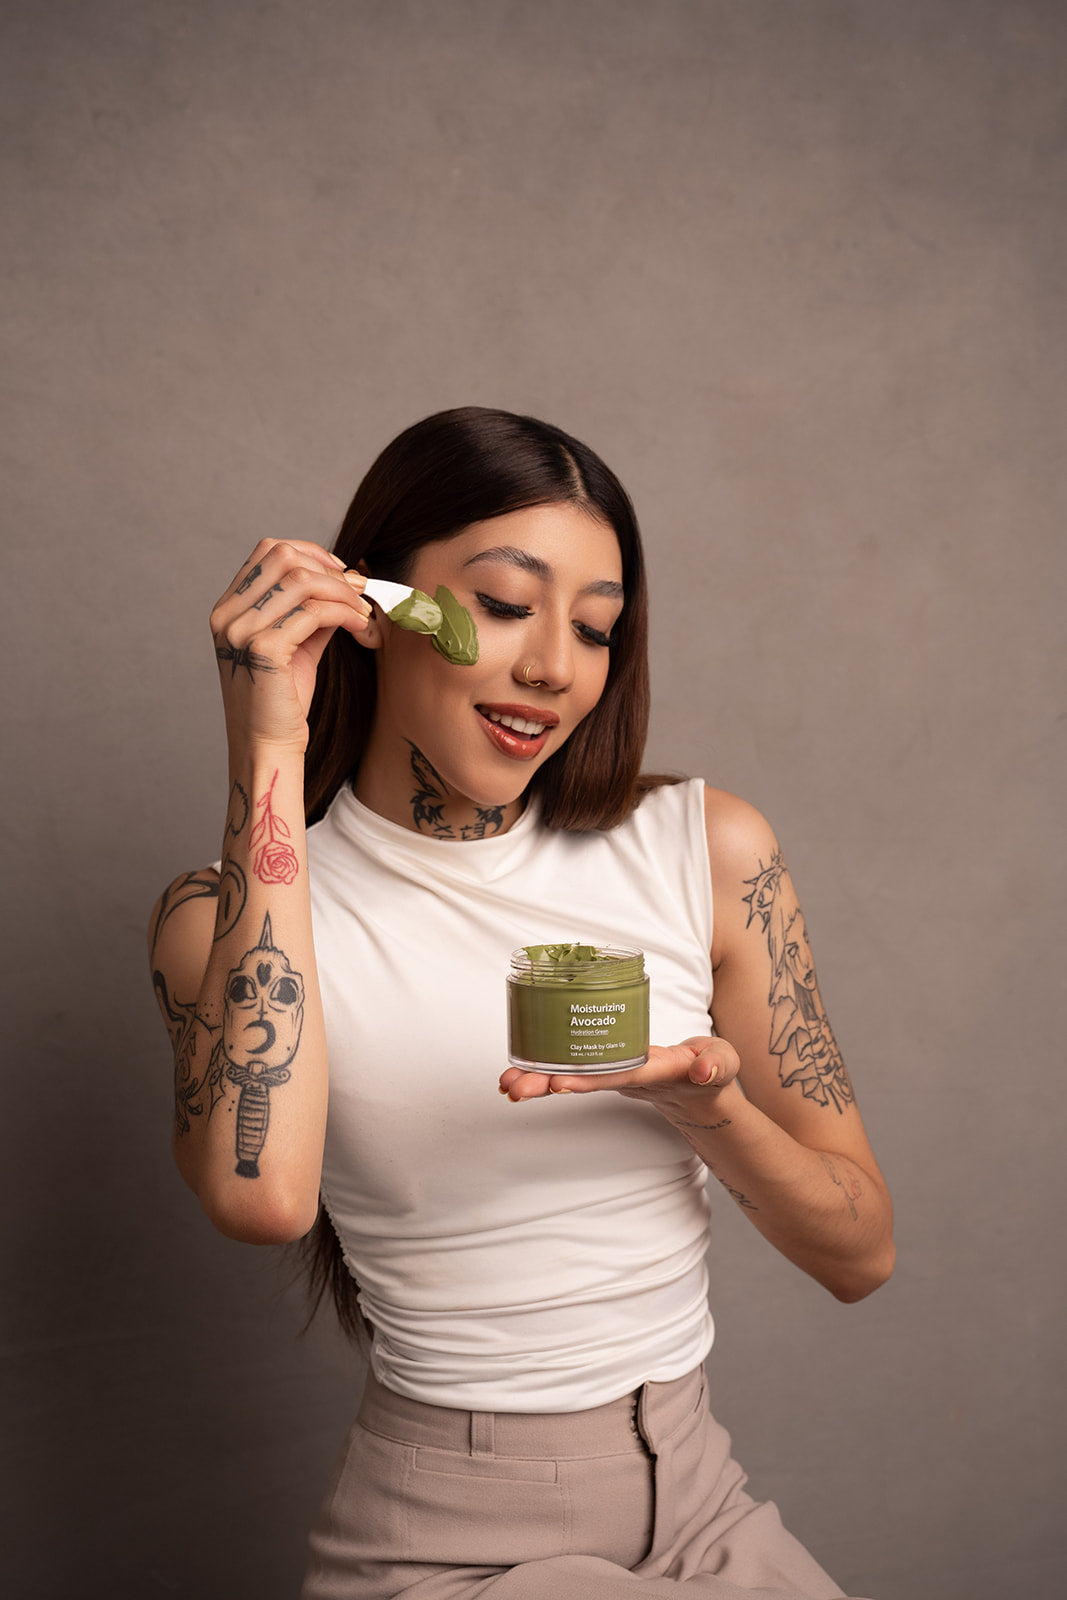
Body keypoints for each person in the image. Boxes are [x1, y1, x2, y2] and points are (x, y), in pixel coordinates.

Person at [149, 407, 894, 1600]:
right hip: (451, 1544)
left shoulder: (705, 852)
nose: (554, 665)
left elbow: (860, 1253)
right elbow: (261, 1197)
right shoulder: (231, 916)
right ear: (376, 607)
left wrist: (707, 1110)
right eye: (502, 604)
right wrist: (268, 742)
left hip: (701, 1499)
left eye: (594, 627)